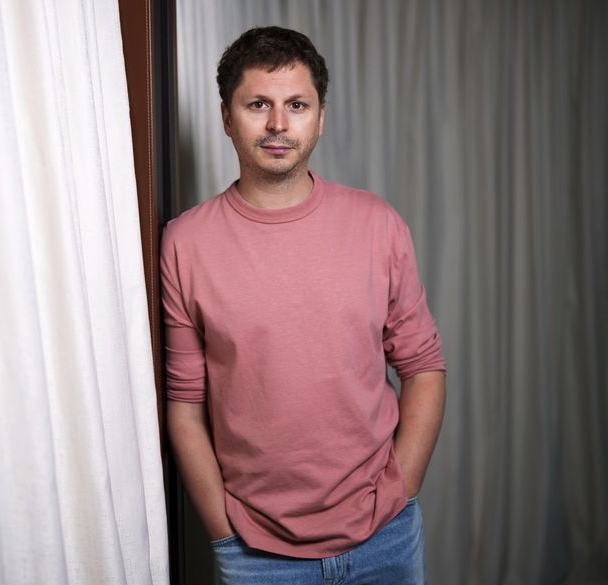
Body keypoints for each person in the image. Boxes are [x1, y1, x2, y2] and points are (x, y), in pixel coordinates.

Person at [161, 26, 446, 584]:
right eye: (257, 105)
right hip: (257, 556)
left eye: (296, 105)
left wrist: (401, 487)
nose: (277, 124)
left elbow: (424, 367)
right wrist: (225, 534)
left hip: (385, 539)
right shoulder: (185, 243)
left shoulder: (377, 224)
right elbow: (185, 408)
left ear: (320, 116)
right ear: (226, 117)